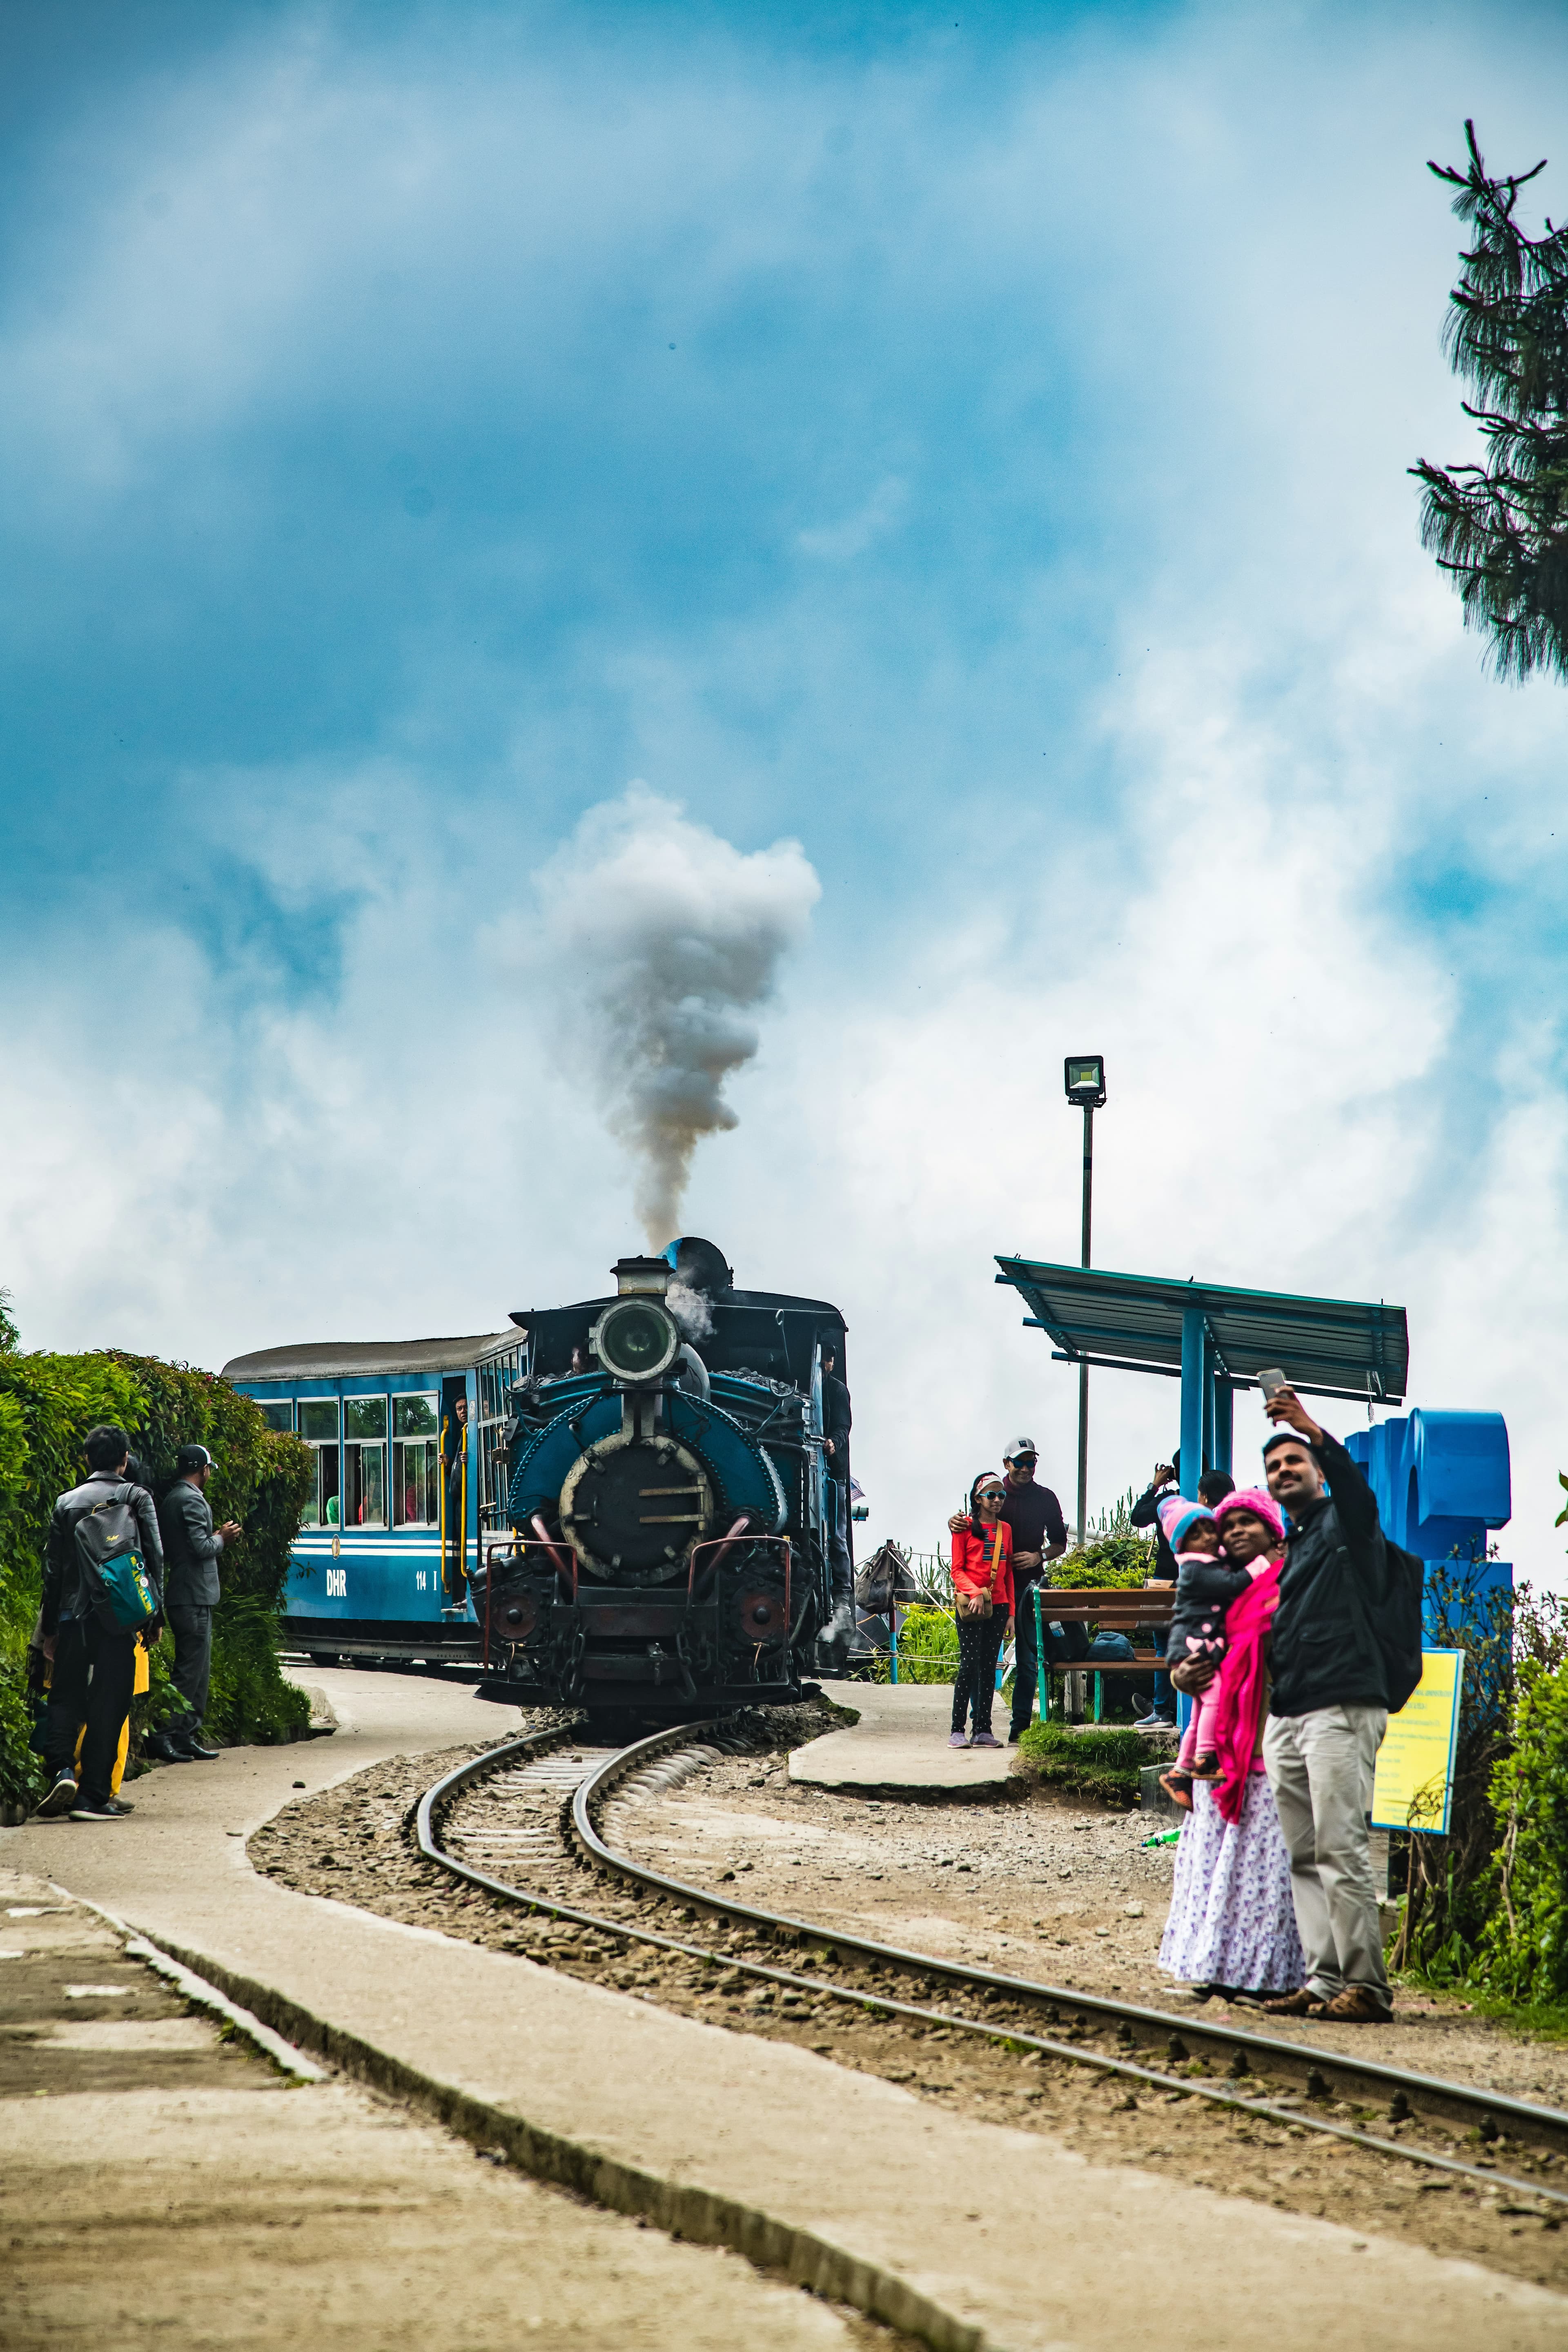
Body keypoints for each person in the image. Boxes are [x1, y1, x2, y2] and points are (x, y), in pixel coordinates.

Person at [1255, 1388, 1399, 2025]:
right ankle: (1324, 1979)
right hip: (1291, 1714)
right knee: (1304, 1854)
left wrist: (1310, 1429)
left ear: (1316, 1470)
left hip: (1342, 1706)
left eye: (1294, 1463)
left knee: (1340, 1848)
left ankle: (1366, 1986)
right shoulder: (1300, 1542)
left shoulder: (1348, 1527)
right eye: (1274, 1469)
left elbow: (1357, 1493)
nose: (1284, 1472)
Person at [1158, 1486, 1304, 1998]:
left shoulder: (1288, 1581)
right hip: (1218, 1751)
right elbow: (1192, 1643)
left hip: (1266, 1746)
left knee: (1260, 1873)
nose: (1238, 1531)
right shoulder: (1223, 1586)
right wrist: (1181, 1674)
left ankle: (1264, 1977)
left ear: (1273, 1529)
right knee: (1212, 1869)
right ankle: (1212, 1968)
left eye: (1250, 1521)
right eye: (1230, 1523)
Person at [36, 1425, 165, 1822]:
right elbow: (154, 1558)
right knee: (111, 1703)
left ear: (87, 1460)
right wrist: (155, 1615)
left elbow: (53, 1571)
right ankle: (93, 1796)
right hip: (119, 1619)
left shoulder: (66, 1503)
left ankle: (60, 1769)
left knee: (65, 1696)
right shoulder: (136, 1498)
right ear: (124, 1459)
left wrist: (49, 1631)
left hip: (71, 1618)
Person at [947, 1438, 1067, 1740]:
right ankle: (977, 1724)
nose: (1026, 1468)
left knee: (1025, 1661)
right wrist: (954, 1522)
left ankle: (1019, 1729)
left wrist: (1039, 1555)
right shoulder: (994, 1492)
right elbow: (971, 1527)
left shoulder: (1046, 1498)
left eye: (1032, 1462)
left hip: (1025, 1587)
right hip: (987, 1591)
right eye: (1020, 1462)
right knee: (976, 1662)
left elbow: (1060, 1543)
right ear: (1007, 1464)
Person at [1155, 1497, 1251, 1799]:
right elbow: (1234, 1583)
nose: (1209, 1537)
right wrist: (1262, 1563)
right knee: (1215, 1695)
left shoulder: (1206, 1561)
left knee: (1199, 1712)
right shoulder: (1196, 1568)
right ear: (1182, 1546)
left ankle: (1181, 1770)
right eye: (1197, 1534)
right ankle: (1206, 1757)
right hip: (1192, 1648)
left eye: (1211, 1528)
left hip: (1198, 1645)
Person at [149, 1444, 237, 1763]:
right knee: (190, 1672)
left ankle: (185, 1736)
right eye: (209, 1469)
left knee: (197, 1670)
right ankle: (168, 1735)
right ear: (202, 1470)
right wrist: (222, 1538)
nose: (210, 1474)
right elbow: (201, 1547)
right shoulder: (192, 1500)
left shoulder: (175, 1497)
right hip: (193, 1595)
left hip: (186, 1593)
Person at [949, 1473, 1014, 1749]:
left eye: (1001, 1495)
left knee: (989, 1667)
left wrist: (1011, 1612)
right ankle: (957, 1730)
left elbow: (1008, 1571)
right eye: (992, 1495)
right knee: (969, 1665)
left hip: (998, 1606)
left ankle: (983, 1730)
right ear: (978, 1499)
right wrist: (974, 1592)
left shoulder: (1006, 1530)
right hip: (971, 1605)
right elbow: (957, 1570)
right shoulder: (963, 1528)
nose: (997, 1500)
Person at [820, 1343, 855, 1653]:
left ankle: (842, 1597)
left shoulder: (837, 1391)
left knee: (838, 1536)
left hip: (833, 1472)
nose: (825, 1365)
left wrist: (834, 1442)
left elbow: (844, 1425)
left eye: (828, 1361)